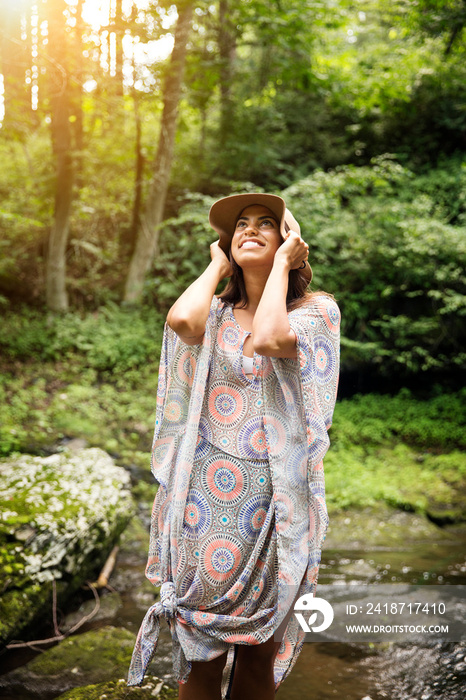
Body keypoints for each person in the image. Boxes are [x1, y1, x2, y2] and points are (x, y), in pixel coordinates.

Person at [127, 193, 340, 699]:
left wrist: (284, 266)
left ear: (290, 240)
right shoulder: (216, 313)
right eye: (240, 225)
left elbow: (269, 337)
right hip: (205, 504)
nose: (250, 229)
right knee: (200, 654)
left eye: (267, 223)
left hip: (278, 507)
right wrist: (218, 266)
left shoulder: (316, 313)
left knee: (258, 653)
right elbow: (181, 322)